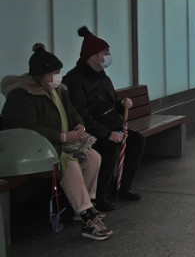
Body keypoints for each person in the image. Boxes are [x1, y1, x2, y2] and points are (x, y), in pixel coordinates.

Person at [1, 43, 113, 240]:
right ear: (39, 76)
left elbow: (72, 112)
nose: (57, 77)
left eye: (58, 72)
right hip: (34, 152)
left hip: (59, 146)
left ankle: (86, 205)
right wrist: (61, 136)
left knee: (93, 157)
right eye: (53, 73)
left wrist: (79, 125)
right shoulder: (21, 95)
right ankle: (88, 217)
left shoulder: (58, 90)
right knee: (69, 165)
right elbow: (28, 128)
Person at [63, 26, 145, 210]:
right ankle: (101, 195)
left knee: (137, 141)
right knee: (108, 149)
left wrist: (121, 104)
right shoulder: (75, 80)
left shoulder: (101, 75)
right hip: (92, 133)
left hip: (111, 126)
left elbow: (110, 100)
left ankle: (123, 186)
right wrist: (107, 133)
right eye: (105, 52)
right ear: (93, 56)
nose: (109, 55)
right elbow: (81, 114)